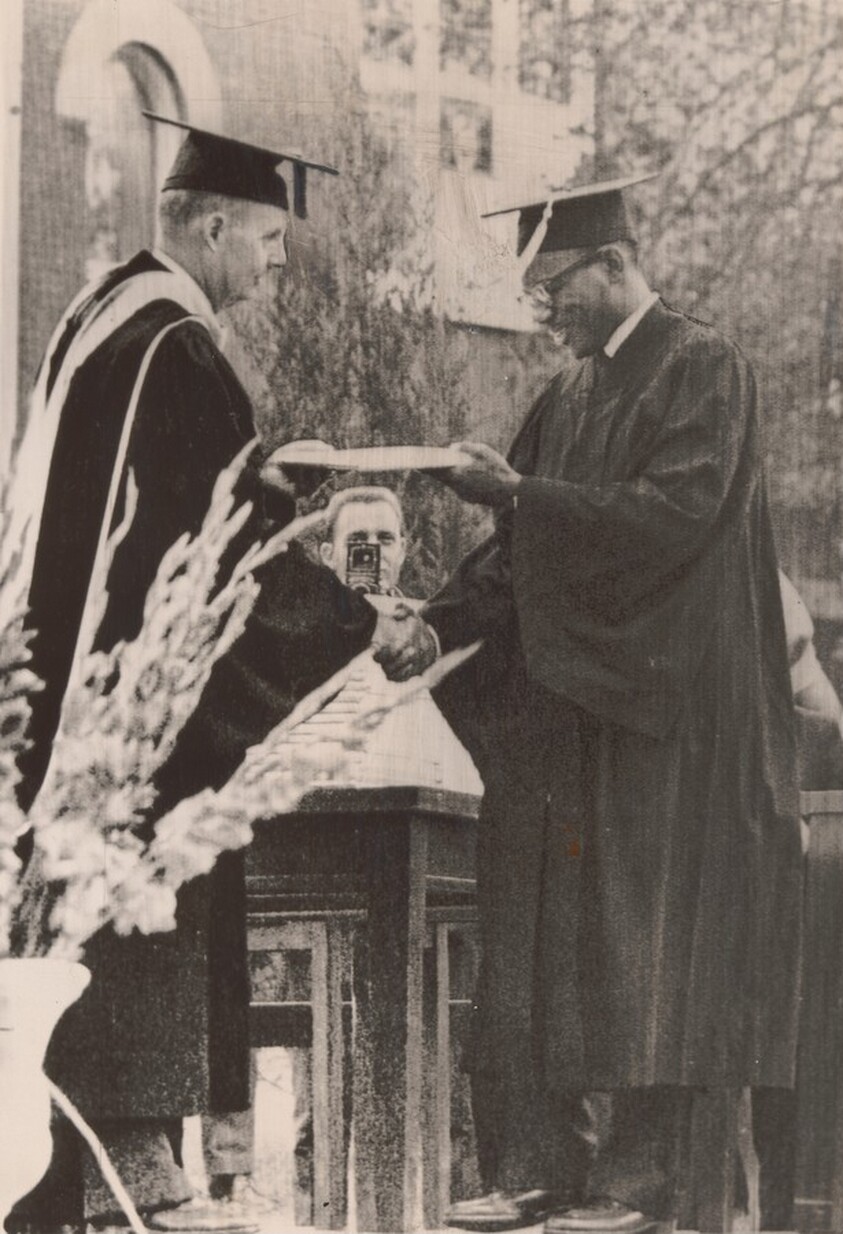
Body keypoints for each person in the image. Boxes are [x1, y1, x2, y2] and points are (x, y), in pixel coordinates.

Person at [11, 114, 423, 1234]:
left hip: (66, 702)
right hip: (134, 724)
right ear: (208, 228)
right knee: (144, 910)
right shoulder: (179, 352)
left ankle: (103, 1168)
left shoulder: (99, 324)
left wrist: (270, 497)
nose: (280, 261)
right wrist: (361, 623)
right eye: (269, 239)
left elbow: (170, 516)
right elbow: (225, 560)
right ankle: (132, 1167)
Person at [396, 174, 804, 1233]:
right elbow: (515, 554)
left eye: (556, 289)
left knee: (652, 946)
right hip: (581, 712)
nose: (546, 312)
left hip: (678, 722)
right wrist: (434, 626)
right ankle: (542, 1163)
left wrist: (520, 495)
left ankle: (640, 1180)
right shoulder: (565, 396)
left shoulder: (704, 367)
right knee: (545, 934)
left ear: (616, 264)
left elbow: (672, 519)